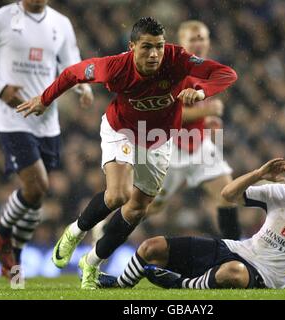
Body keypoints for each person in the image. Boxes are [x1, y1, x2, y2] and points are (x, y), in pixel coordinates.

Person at [16, 17, 237, 289]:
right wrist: (44, 99)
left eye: (158, 46)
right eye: (146, 47)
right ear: (132, 46)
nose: (154, 54)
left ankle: (92, 262)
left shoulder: (177, 58)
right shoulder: (114, 67)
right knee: (118, 194)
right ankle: (75, 231)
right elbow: (73, 73)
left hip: (158, 140)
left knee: (137, 209)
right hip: (122, 131)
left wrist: (201, 92)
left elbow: (227, 74)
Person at [0, 0, 94, 279]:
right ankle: (2, 232)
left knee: (37, 197)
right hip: (11, 115)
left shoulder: (61, 23)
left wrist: (83, 87)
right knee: (38, 185)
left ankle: (15, 265)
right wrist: (0, 89)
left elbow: (71, 64)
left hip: (46, 119)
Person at [98, 152, 285, 290]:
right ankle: (121, 285)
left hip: (262, 276)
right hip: (235, 250)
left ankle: (179, 284)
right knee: (151, 247)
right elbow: (227, 194)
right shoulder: (278, 193)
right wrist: (259, 174)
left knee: (234, 273)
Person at [147, 20, 240, 239]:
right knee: (150, 206)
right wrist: (206, 112)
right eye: (193, 39)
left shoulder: (207, 69)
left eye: (202, 38)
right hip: (168, 146)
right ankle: (104, 230)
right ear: (182, 42)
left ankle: (237, 257)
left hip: (198, 145)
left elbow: (195, 109)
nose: (199, 43)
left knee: (227, 194)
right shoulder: (171, 71)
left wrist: (206, 122)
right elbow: (167, 114)